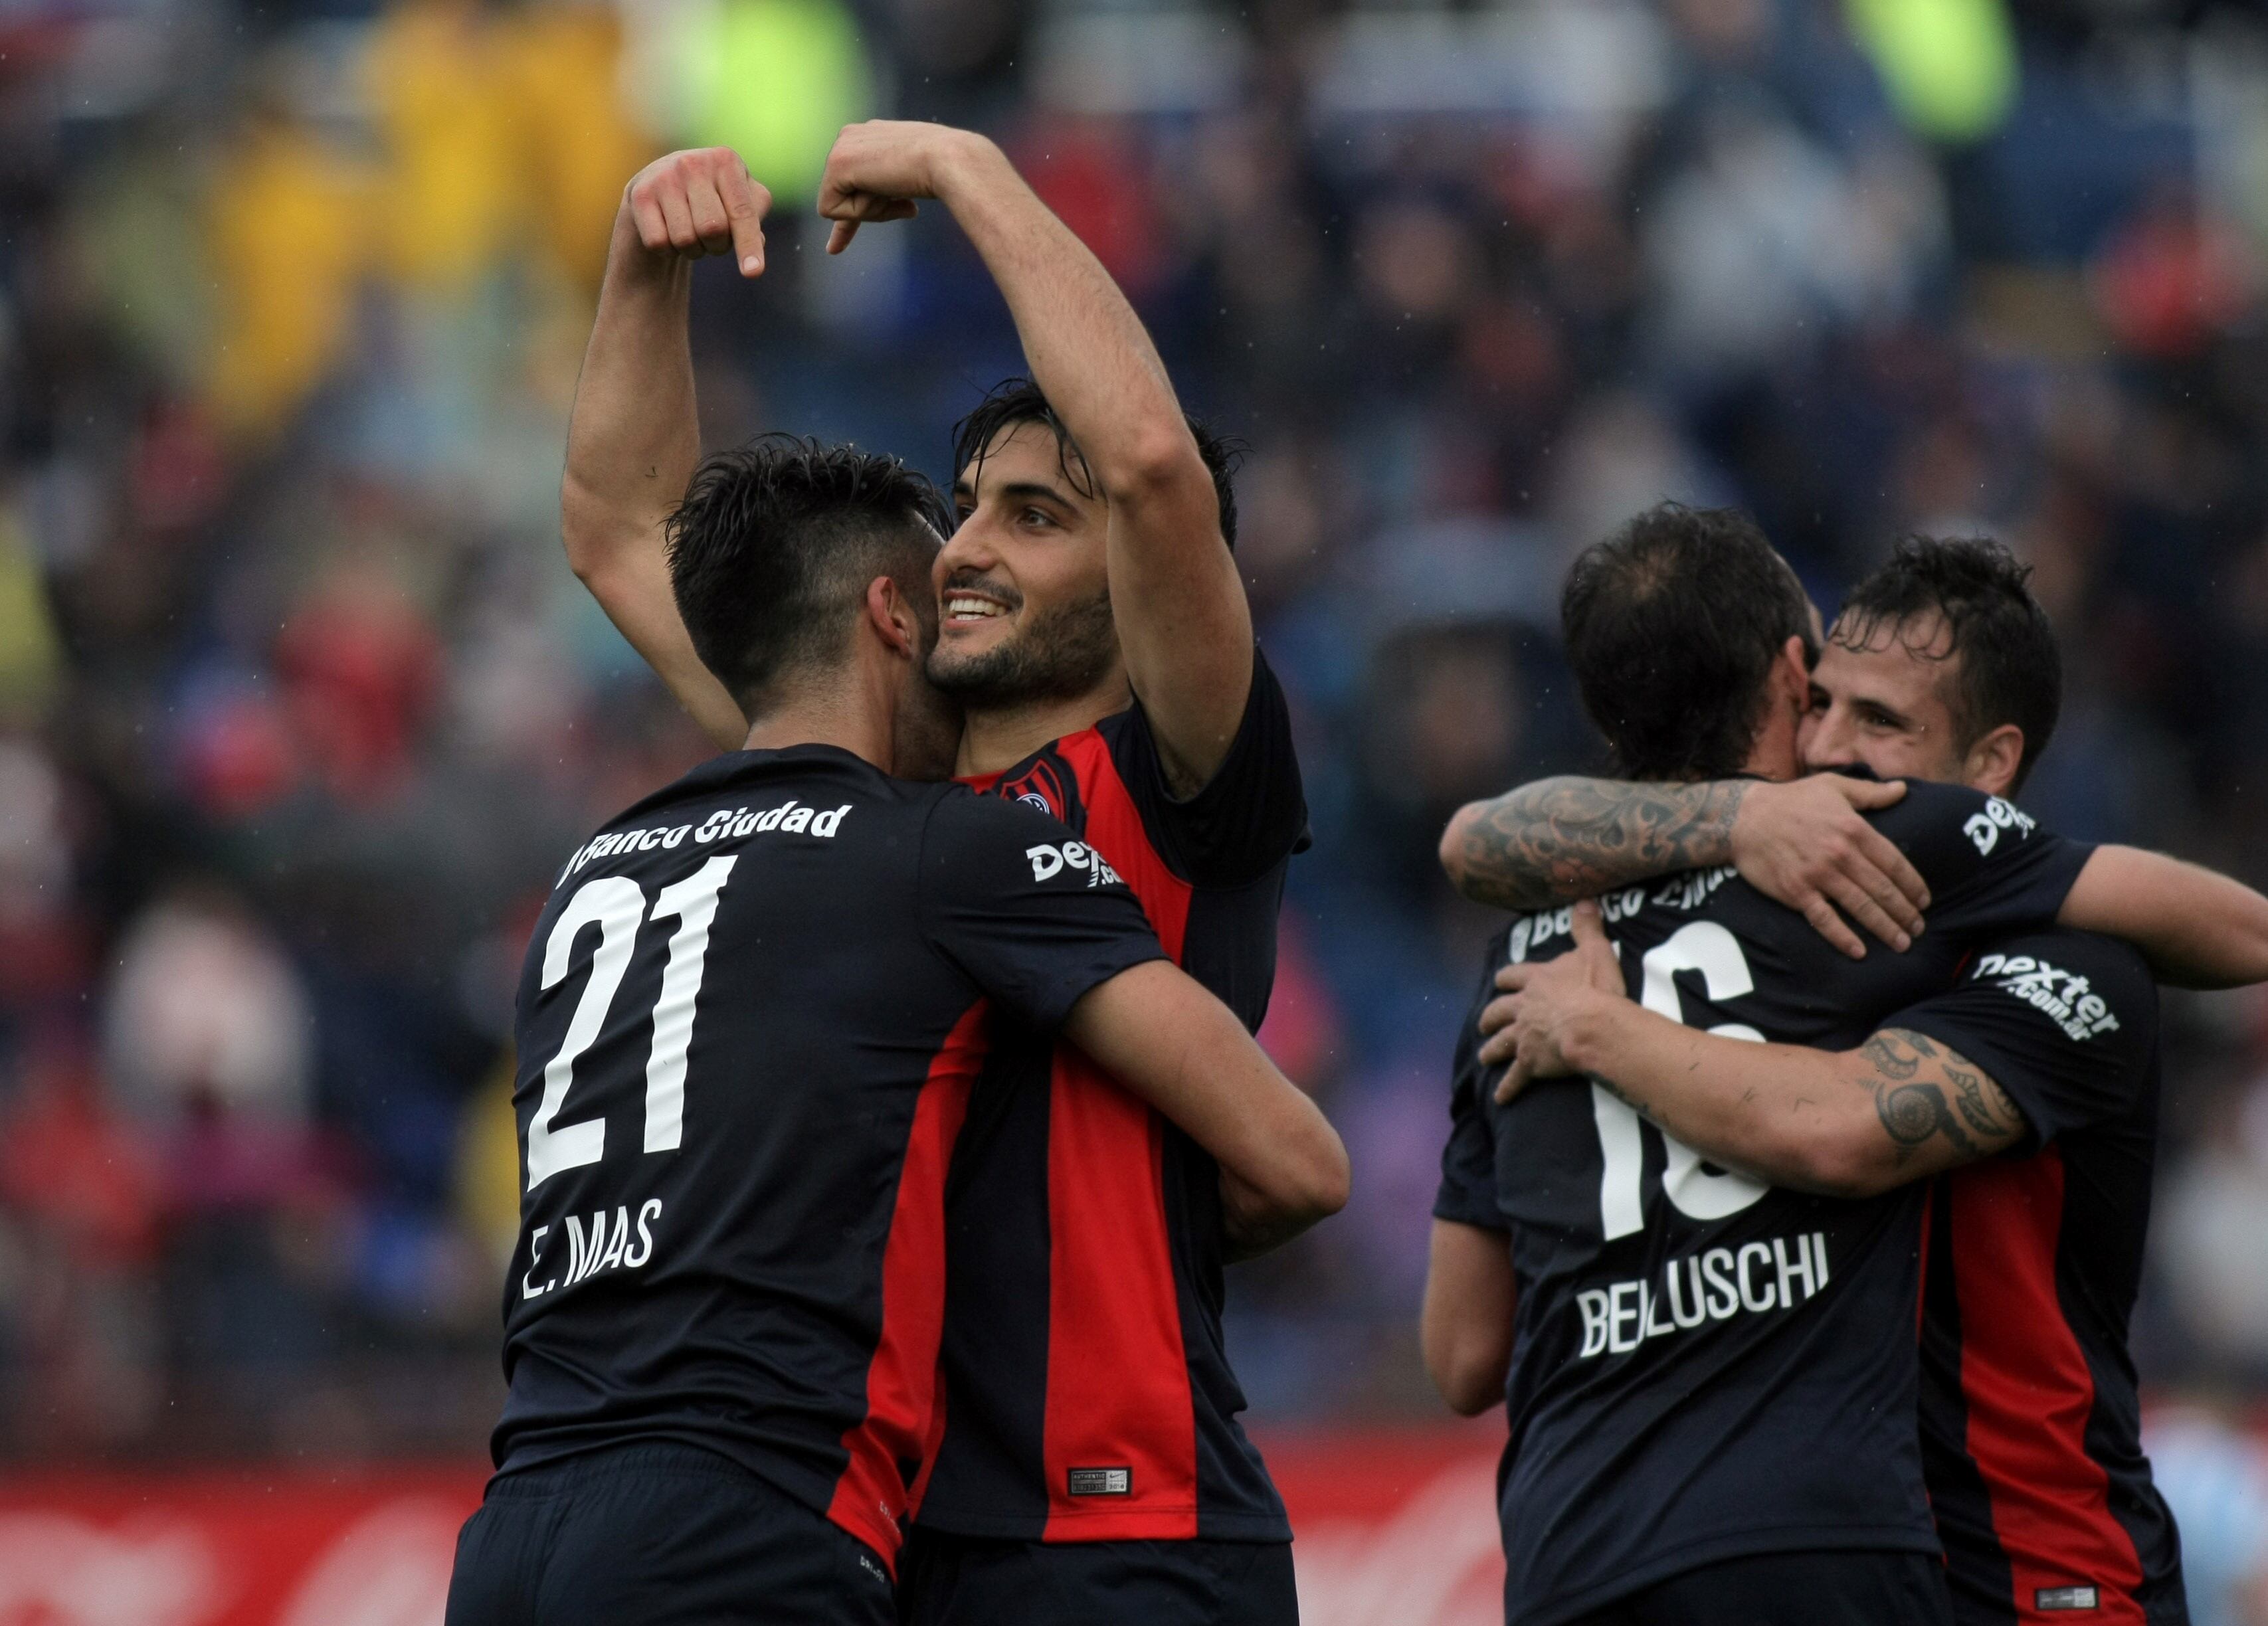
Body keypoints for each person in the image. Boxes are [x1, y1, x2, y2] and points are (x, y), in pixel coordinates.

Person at [564, 132, 1312, 1622]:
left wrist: (972, 176)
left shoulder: (1179, 774)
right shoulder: (885, 789)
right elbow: (618, 537)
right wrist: (643, 270)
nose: (963, 547)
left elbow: (1158, 469)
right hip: (893, 1547)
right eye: (968, 505)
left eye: (1035, 515)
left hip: (1127, 1538)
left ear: (1151, 578)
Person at [442, 439, 1345, 1625]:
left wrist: (648, 257)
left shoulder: (598, 864)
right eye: (948, 564)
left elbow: (611, 529)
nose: (964, 583)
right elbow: (1300, 1159)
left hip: (513, 1521)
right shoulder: (934, 852)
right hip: (754, 1518)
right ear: (893, 620)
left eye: (1023, 520)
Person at [1419, 505, 2265, 1626]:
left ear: (1987, 765)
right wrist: (1731, 822)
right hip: (1855, 1551)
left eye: (1878, 721)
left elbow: (1843, 1129)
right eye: (1816, 704)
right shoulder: (1796, 904)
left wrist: (1600, 1032)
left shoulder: (2076, 968)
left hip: (2040, 1573)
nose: (1824, 752)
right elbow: (1476, 837)